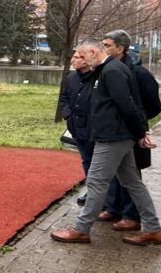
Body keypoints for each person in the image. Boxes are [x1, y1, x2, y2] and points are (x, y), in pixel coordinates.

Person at [51, 39, 161, 246]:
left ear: (93, 52)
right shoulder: (107, 70)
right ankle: (153, 229)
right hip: (117, 136)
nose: (80, 61)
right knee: (132, 182)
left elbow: (128, 105)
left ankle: (81, 230)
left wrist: (140, 133)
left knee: (96, 182)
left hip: (112, 137)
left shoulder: (111, 71)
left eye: (82, 56)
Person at [98, 30, 161, 231]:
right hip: (113, 132)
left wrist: (137, 123)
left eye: (107, 45)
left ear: (120, 48)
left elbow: (153, 105)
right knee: (115, 171)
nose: (103, 48)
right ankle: (113, 208)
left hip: (132, 131)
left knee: (131, 175)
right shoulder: (106, 68)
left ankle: (132, 215)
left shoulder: (139, 72)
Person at [59, 50, 95, 205]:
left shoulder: (99, 77)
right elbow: (64, 97)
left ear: (87, 60)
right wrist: (68, 114)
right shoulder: (71, 78)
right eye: (73, 56)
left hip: (95, 128)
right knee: (86, 160)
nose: (72, 59)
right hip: (76, 127)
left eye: (77, 57)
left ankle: (105, 197)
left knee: (98, 162)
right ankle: (91, 192)